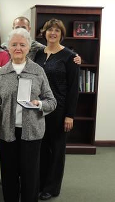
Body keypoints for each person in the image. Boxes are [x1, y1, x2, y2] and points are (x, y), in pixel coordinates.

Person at [0, 28, 57, 202]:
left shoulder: (38, 71)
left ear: (28, 47)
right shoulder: (2, 73)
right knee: (9, 176)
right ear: (8, 48)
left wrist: (39, 104)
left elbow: (51, 101)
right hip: (7, 133)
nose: (18, 48)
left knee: (30, 176)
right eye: (14, 44)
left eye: (22, 44)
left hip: (32, 132)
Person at [34, 19, 80, 200]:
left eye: (57, 31)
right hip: (39, 108)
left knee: (57, 150)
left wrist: (70, 115)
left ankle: (51, 188)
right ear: (44, 33)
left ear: (61, 34)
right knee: (42, 148)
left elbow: (74, 88)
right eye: (49, 30)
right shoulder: (38, 54)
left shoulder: (70, 57)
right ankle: (40, 183)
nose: (53, 33)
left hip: (59, 110)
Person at [11, 16, 82, 64]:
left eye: (23, 27)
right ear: (13, 29)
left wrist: (75, 57)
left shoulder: (39, 48)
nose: (20, 30)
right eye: (17, 27)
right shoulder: (5, 48)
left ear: (29, 29)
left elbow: (56, 51)